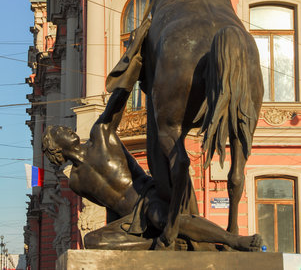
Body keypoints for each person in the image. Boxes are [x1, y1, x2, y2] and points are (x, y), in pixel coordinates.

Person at [42, 88, 262, 252]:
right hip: (128, 221)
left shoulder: (100, 135)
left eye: (62, 127)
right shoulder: (76, 182)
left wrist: (134, 66)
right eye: (60, 131)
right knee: (91, 241)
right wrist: (115, 234)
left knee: (161, 218)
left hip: (148, 197)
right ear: (55, 147)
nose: (66, 129)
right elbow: (109, 207)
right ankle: (158, 243)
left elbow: (117, 100)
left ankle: (235, 241)